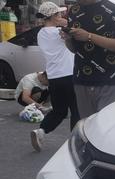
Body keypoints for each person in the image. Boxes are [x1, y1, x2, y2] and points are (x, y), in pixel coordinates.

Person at [62, 0, 115, 119]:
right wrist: (68, 38)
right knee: (88, 126)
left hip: (111, 81)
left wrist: (89, 36)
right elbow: (74, 49)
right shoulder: (74, 11)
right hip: (82, 80)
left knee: (107, 126)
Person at [31, 2, 79, 152]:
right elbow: (74, 33)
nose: (61, 15)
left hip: (54, 77)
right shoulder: (60, 32)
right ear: (53, 16)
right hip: (69, 75)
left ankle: (41, 131)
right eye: (59, 14)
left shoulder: (41, 33)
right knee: (76, 110)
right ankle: (75, 142)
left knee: (59, 111)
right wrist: (66, 23)